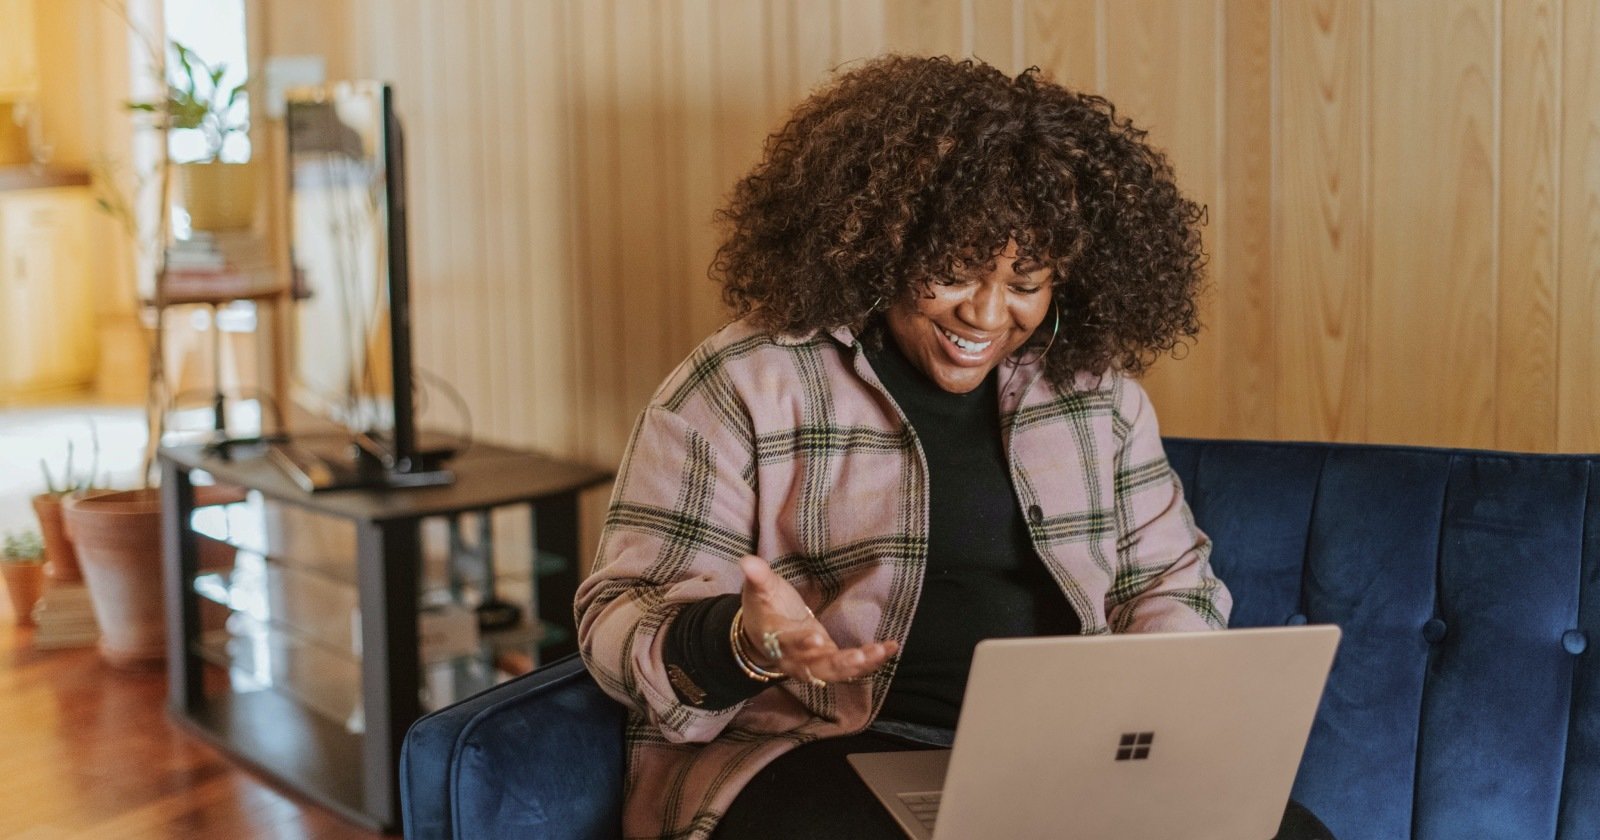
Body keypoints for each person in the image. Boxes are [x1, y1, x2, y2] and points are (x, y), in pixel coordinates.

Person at [576, 55, 1333, 840]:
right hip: (814, 746)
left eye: (1026, 280)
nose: (986, 313)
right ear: (882, 244)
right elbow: (617, 616)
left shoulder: (1096, 398)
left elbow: (1172, 583)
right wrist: (743, 641)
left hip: (1054, 759)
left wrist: (1145, 713)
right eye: (954, 270)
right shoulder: (744, 382)